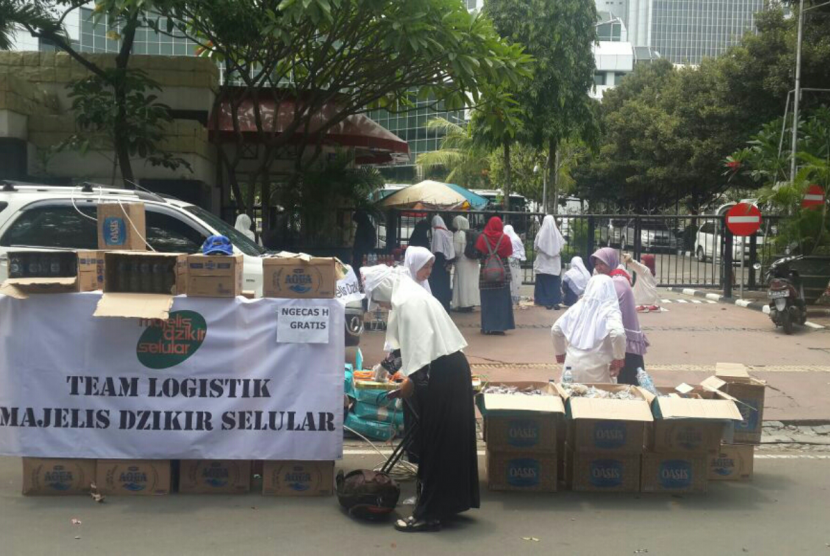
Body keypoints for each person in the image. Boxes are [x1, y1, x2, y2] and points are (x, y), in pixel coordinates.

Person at [360, 265, 479, 533]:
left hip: (442, 374)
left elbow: (422, 357)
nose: (379, 304)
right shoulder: (409, 295)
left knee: (436, 443)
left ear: (383, 289)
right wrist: (382, 369)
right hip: (450, 369)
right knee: (450, 442)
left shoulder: (407, 302)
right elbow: (407, 346)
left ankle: (429, 514)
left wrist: (409, 385)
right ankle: (449, 503)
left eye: (377, 298)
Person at [590, 247, 650, 386]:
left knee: (627, 378)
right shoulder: (616, 276)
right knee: (628, 377)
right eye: (596, 264)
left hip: (624, 338)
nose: (598, 267)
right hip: (622, 336)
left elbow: (601, 305)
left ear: (610, 262)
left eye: (602, 263)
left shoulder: (617, 282)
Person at [551, 275, 627, 383]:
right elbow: (618, 334)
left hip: (570, 368)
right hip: (597, 372)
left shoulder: (578, 307)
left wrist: (560, 354)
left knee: (570, 397)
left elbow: (555, 330)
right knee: (598, 398)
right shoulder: (610, 310)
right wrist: (618, 359)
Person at [475, 216, 515, 335]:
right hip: (502, 273)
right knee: (502, 300)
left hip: (486, 274)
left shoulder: (482, 238)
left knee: (487, 300)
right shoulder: (505, 239)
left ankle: (487, 326)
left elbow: (478, 253)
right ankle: (500, 326)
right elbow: (509, 253)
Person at [533, 215, 565, 310]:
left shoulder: (540, 234)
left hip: (543, 263)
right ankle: (555, 301)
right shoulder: (557, 234)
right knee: (554, 284)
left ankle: (544, 301)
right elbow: (561, 247)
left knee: (543, 283)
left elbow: (535, 247)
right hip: (554, 264)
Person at [451, 215, 480, 312]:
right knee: (471, 283)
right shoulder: (472, 233)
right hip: (473, 261)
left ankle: (463, 304)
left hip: (462, 262)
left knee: (462, 283)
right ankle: (471, 303)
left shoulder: (459, 234)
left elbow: (457, 251)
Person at [428, 215, 455, 311]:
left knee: (438, 287)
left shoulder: (438, 233)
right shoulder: (447, 233)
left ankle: (439, 307)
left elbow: (438, 250)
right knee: (445, 286)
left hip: (439, 264)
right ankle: (445, 307)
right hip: (446, 264)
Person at [503, 224, 526, 306]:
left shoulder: (505, 238)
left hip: (507, 260)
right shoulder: (516, 238)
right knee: (515, 279)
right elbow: (522, 249)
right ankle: (515, 298)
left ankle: (507, 298)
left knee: (508, 279)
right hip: (515, 261)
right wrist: (522, 257)